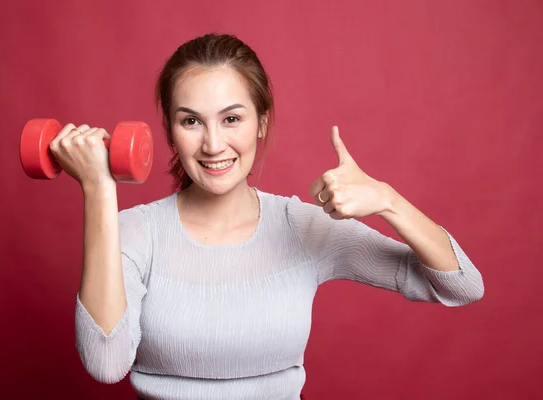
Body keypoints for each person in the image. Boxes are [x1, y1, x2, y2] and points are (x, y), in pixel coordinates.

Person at [50, 33, 484, 400]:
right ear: (169, 131)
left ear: (262, 121)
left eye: (232, 118)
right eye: (191, 122)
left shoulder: (302, 227)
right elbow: (106, 365)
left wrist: (388, 200)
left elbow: (461, 285)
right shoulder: (134, 232)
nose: (214, 144)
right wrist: (98, 190)